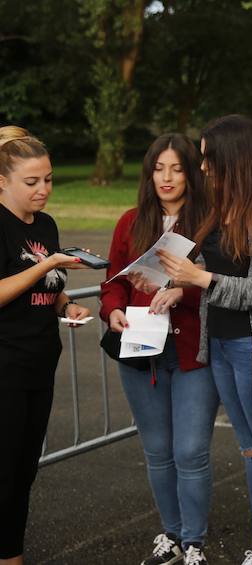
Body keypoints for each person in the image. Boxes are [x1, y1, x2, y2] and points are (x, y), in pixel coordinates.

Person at [156, 114, 252, 565]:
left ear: (233, 158)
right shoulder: (223, 206)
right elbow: (223, 272)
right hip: (222, 345)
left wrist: (199, 277)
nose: (202, 167)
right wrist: (180, 283)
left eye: (209, 159)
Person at [100, 133, 217, 565]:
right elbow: (113, 281)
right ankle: (171, 534)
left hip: (191, 351)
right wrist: (112, 309)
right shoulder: (131, 221)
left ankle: (194, 542)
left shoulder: (210, 221)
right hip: (141, 349)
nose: (166, 178)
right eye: (158, 168)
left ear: (191, 174)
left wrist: (182, 291)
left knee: (190, 451)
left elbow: (220, 281)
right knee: (158, 451)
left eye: (177, 169)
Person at [0, 127, 91, 565]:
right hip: (4, 366)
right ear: (2, 181)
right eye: (31, 181)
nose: (43, 189)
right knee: (4, 472)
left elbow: (50, 288)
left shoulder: (47, 225)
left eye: (49, 179)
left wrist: (67, 305)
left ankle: (10, 552)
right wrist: (47, 264)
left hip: (39, 363)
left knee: (23, 471)